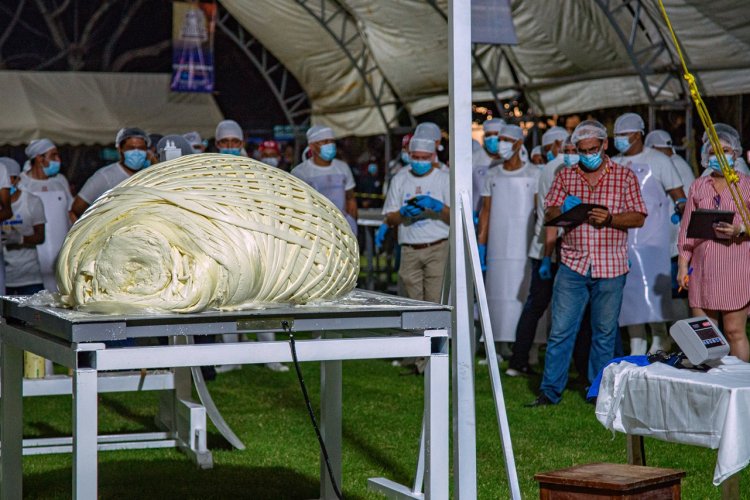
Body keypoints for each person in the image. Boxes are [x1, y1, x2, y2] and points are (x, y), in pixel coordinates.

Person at [527, 120, 646, 407]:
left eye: (592, 149)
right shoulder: (567, 176)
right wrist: (566, 210)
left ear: (604, 145)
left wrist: (610, 219)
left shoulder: (625, 176)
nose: (587, 155)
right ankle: (549, 391)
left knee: (604, 333)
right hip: (573, 264)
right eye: (582, 151)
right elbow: (550, 211)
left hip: (611, 266)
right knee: (560, 331)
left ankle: (598, 392)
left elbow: (639, 215)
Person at [612, 113, 686, 355]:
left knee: (653, 293)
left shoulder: (659, 161)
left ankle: (660, 338)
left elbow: (678, 195)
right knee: (629, 295)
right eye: (617, 136)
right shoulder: (615, 163)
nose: (619, 140)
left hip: (653, 239)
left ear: (637, 134)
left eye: (623, 135)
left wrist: (682, 215)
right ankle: (636, 343)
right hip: (622, 239)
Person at [677, 130, 750, 362]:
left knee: (734, 331)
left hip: (736, 266)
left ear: (735, 153)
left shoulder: (746, 185)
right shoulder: (698, 187)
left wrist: (740, 229)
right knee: (705, 335)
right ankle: (708, 387)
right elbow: (686, 230)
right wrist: (682, 265)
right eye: (713, 152)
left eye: (725, 151)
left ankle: (740, 385)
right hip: (702, 269)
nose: (719, 155)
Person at [506, 130, 573, 377]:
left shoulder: (546, 169)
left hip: (547, 247)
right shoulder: (558, 170)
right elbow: (551, 217)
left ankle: (520, 360)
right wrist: (547, 255)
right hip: (555, 248)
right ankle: (543, 364)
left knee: (536, 307)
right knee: (559, 309)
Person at [477, 124, 540, 360]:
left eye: (505, 139)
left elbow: (539, 212)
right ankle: (498, 347)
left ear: (518, 143)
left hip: (524, 247)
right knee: (496, 295)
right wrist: (481, 245)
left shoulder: (534, 173)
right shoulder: (492, 175)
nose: (500, 143)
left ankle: (529, 348)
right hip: (497, 248)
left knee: (523, 296)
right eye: (498, 138)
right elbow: (486, 211)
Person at [382, 137, 450, 302]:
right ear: (409, 155)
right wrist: (403, 213)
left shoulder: (444, 178)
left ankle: (436, 329)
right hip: (409, 250)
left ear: (432, 156)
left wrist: (438, 207)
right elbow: (390, 219)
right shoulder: (400, 179)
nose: (420, 161)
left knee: (436, 302)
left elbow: (455, 217)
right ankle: (415, 330)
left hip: (437, 249)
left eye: (424, 158)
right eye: (416, 157)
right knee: (411, 304)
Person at [645, 129, 695, 308]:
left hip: (676, 241)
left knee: (676, 290)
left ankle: (677, 332)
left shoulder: (673, 164)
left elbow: (686, 202)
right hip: (668, 239)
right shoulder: (675, 163)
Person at [19, 138, 73, 291]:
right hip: (34, 255)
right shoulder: (22, 182)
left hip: (61, 250)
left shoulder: (60, 181)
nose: (58, 160)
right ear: (39, 158)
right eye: (53, 155)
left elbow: (70, 212)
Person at [70, 128, 155, 219]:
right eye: (131, 148)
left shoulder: (149, 174)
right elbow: (77, 209)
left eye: (141, 148)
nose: (137, 152)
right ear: (120, 149)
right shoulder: (104, 176)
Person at [291, 125, 358, 234]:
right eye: (325, 141)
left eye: (332, 141)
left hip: (342, 227)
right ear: (312, 146)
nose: (330, 145)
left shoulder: (342, 168)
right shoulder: (300, 172)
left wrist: (352, 224)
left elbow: (350, 199)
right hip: (316, 229)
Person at [2, 158, 46, 296]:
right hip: (5, 277)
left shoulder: (32, 202)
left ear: (17, 179)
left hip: (29, 277)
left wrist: (20, 239)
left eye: (8, 181)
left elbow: (40, 237)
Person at [472, 118, 504, 215]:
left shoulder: (510, 158)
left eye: (496, 134)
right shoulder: (474, 158)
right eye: (488, 135)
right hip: (477, 213)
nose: (492, 138)